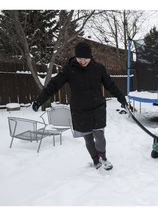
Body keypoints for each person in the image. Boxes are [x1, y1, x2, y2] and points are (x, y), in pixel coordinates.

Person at [32, 41, 128, 171]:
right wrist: (39, 100)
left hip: (97, 107)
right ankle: (95, 160)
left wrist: (122, 99)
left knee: (99, 135)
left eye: (85, 58)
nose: (82, 61)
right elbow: (54, 85)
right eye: (80, 58)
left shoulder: (98, 68)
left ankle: (103, 157)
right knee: (88, 138)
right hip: (80, 110)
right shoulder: (69, 69)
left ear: (90, 57)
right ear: (76, 57)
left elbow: (110, 85)